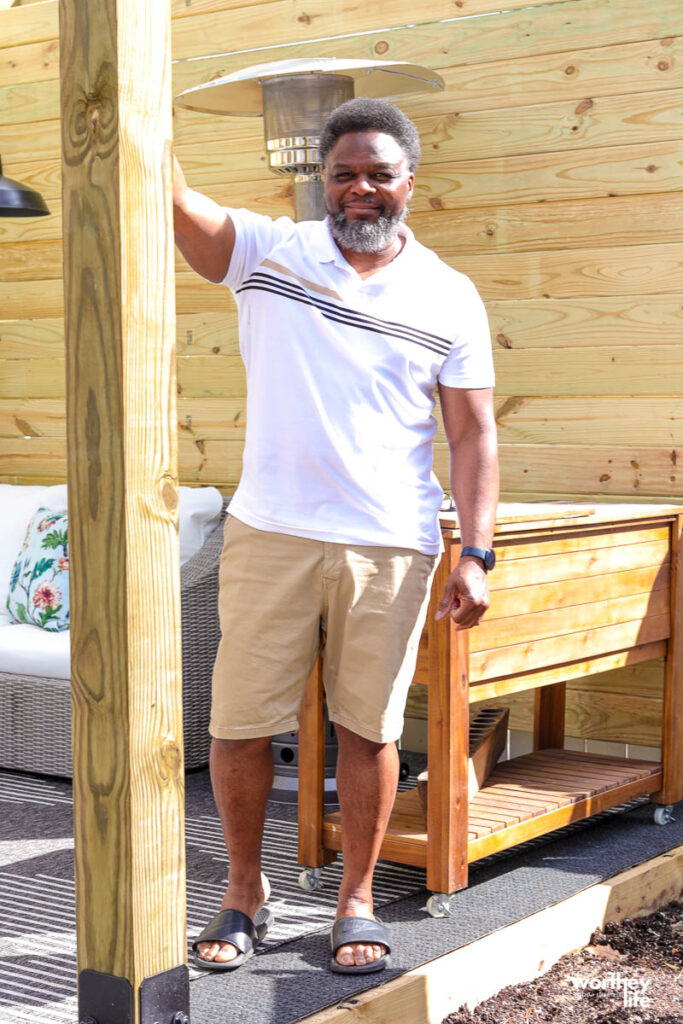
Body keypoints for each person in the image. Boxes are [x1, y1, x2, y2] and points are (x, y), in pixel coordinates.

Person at [173, 96, 499, 975]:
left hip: (392, 543)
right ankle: (246, 891)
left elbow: (471, 435)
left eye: (378, 174)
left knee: (370, 731)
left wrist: (475, 550)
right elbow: (183, 213)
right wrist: (136, 135)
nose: (361, 190)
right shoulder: (271, 250)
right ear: (322, 182)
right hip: (269, 533)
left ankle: (354, 898)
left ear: (409, 184)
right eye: (343, 174)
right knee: (238, 728)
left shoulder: (448, 294)